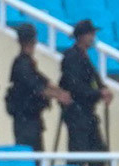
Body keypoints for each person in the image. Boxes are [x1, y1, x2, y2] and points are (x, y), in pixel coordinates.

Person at [60, 19, 113, 166]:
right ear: (82, 36)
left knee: (98, 153)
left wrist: (103, 89)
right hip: (77, 114)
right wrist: (98, 93)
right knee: (78, 154)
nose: (93, 37)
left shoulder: (84, 57)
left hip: (88, 114)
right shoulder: (71, 57)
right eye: (91, 34)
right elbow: (76, 87)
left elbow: (95, 80)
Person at [5, 22, 70, 152]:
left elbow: (43, 81)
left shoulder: (27, 63)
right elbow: (36, 87)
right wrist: (59, 96)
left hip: (32, 118)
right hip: (25, 118)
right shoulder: (22, 64)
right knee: (30, 153)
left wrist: (59, 91)